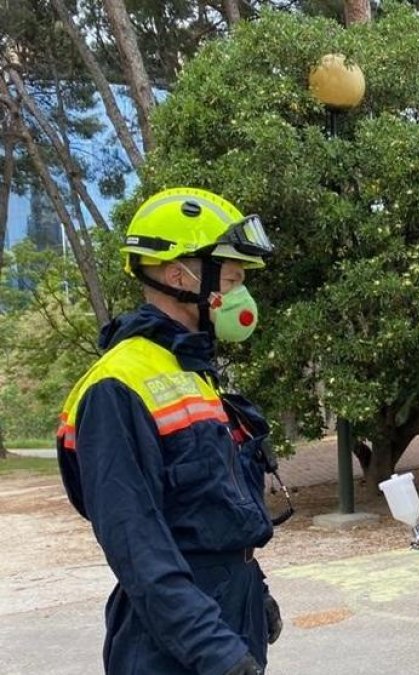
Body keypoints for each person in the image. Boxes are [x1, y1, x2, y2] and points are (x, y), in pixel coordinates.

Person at [56, 188, 285, 675]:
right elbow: (137, 544)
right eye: (232, 278)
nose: (242, 295)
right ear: (181, 275)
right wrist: (216, 653)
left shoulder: (190, 370)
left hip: (227, 605)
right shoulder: (118, 386)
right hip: (172, 638)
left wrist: (254, 587)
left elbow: (215, 503)